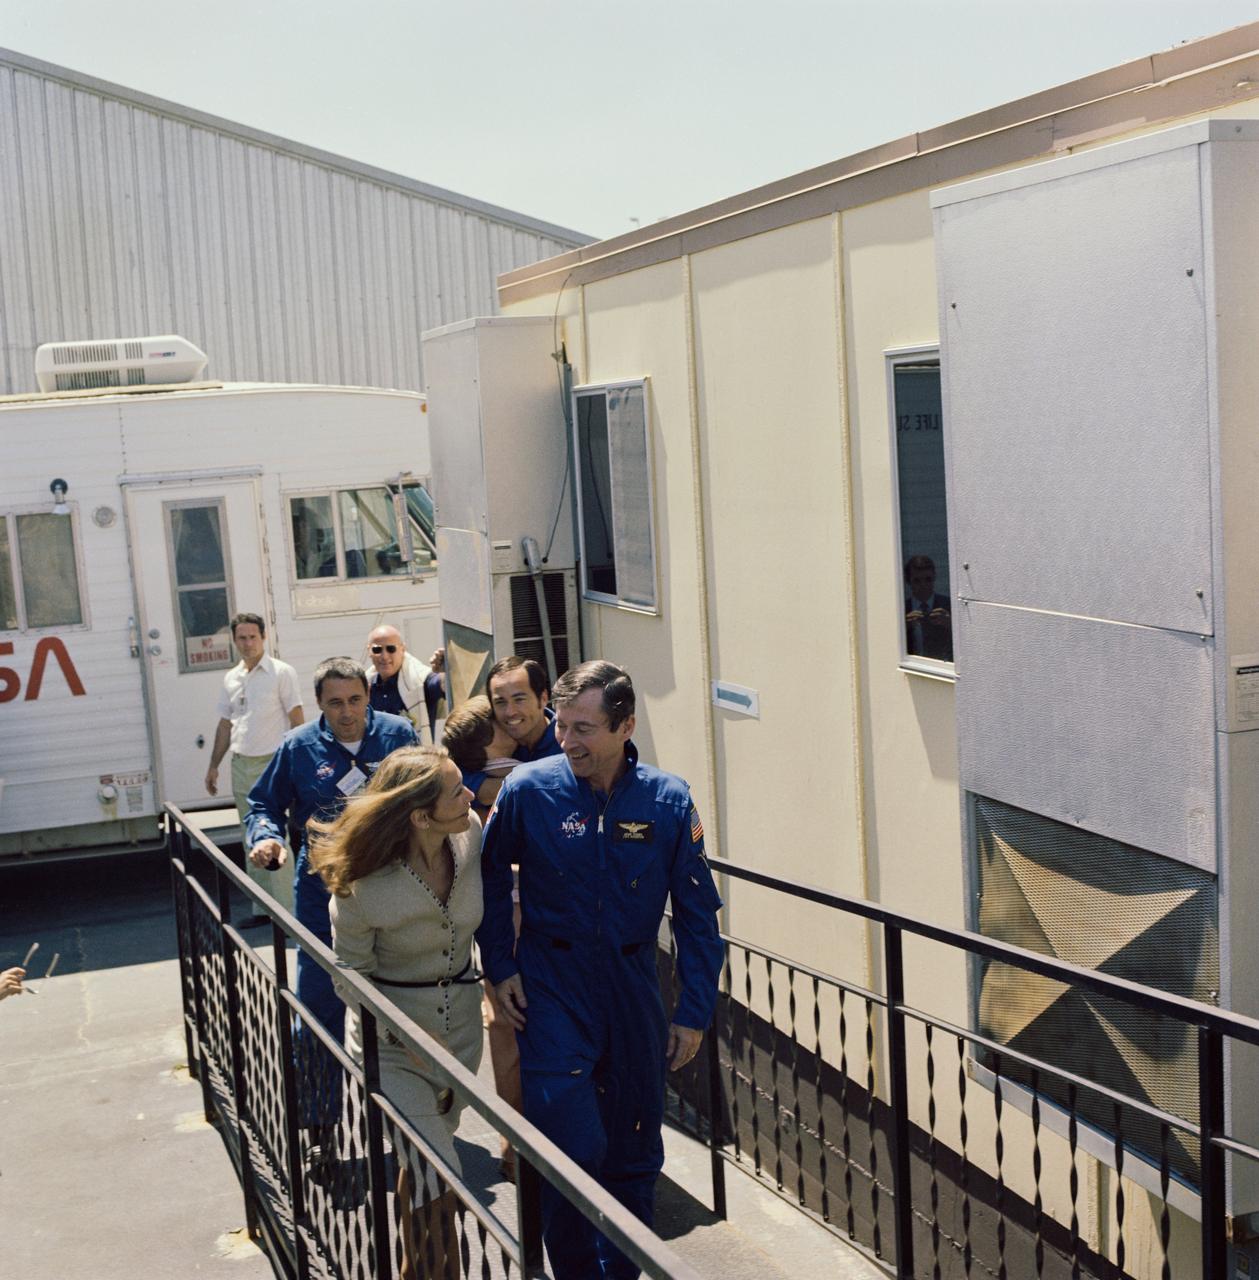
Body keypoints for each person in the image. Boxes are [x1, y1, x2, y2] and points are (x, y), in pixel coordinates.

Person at [477, 660, 724, 1279]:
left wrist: (692, 1014)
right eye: (561, 726)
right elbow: (485, 874)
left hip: (634, 989)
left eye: (583, 728)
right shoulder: (529, 790)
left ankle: (623, 1272)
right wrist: (499, 966)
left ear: (625, 726)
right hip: (551, 988)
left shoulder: (668, 801)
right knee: (572, 1151)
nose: (567, 741)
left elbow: (698, 917)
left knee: (635, 1153)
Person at [310, 746, 482, 1280]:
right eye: (456, 790)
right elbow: (348, 976)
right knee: (441, 1173)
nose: (470, 795)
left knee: (425, 1165)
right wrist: (401, 1035)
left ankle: (413, 1272)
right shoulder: (360, 882)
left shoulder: (469, 833)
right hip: (393, 1044)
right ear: (419, 815)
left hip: (459, 1035)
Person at [245, 657, 418, 1050]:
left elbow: (425, 795)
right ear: (319, 703)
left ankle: (396, 1100)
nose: (347, 712)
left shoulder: (399, 735)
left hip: (390, 882)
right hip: (323, 887)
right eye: (336, 703)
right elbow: (262, 804)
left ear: (368, 696)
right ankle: (318, 1105)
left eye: (355, 700)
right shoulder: (298, 746)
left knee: (398, 995)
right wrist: (266, 838)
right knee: (321, 995)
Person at [204, 612, 304, 915]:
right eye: (242, 638)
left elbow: (297, 718)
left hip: (271, 763)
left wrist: (298, 762)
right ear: (234, 640)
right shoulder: (231, 677)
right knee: (250, 834)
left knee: (275, 835)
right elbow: (225, 725)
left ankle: (287, 911)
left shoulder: (281, 672)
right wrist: (213, 766)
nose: (247, 643)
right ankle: (262, 909)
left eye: (253, 637)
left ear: (263, 637)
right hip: (240, 763)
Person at [442, 695, 520, 820]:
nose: (508, 718)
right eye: (496, 721)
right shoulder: (465, 778)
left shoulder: (533, 742)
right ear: (481, 742)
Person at [364, 624, 442, 742]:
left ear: (402, 649)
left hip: (415, 758)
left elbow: (444, 685)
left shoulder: (420, 681)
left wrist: (448, 668)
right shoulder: (364, 688)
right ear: (369, 651)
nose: (384, 656)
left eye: (391, 649)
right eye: (377, 649)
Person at [485, 655, 557, 762]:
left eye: (519, 699)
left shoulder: (568, 742)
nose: (510, 712)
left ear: (543, 699)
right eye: (500, 702)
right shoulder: (496, 742)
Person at [904, 554, 953, 662]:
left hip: (942, 666)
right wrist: (903, 628)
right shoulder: (902, 610)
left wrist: (950, 624)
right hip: (911, 666)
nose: (923, 585)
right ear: (908, 582)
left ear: (934, 578)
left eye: (928, 579)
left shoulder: (949, 605)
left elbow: (966, 641)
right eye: (917, 581)